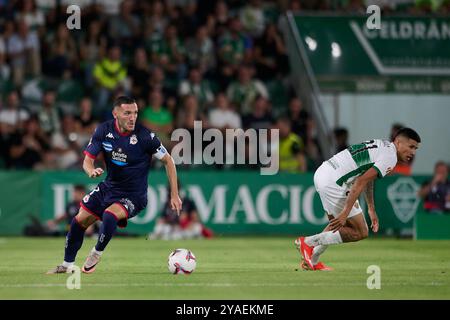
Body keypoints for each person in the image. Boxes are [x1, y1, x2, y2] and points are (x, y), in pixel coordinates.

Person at [47, 96, 182, 274]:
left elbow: (169, 161)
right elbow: (88, 161)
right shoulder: (103, 130)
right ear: (115, 113)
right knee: (78, 221)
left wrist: (174, 194)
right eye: (127, 113)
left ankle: (96, 253)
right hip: (109, 187)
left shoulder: (145, 136)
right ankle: (66, 265)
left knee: (110, 215)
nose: (132, 117)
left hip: (134, 195)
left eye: (135, 113)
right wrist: (91, 170)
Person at [295, 128, 421, 271]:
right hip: (334, 182)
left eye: (416, 148)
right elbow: (360, 182)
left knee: (336, 225)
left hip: (324, 172)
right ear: (398, 142)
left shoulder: (383, 145)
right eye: (411, 147)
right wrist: (345, 212)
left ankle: (311, 260)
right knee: (360, 231)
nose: (413, 152)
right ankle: (307, 242)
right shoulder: (390, 158)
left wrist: (371, 208)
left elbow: (367, 178)